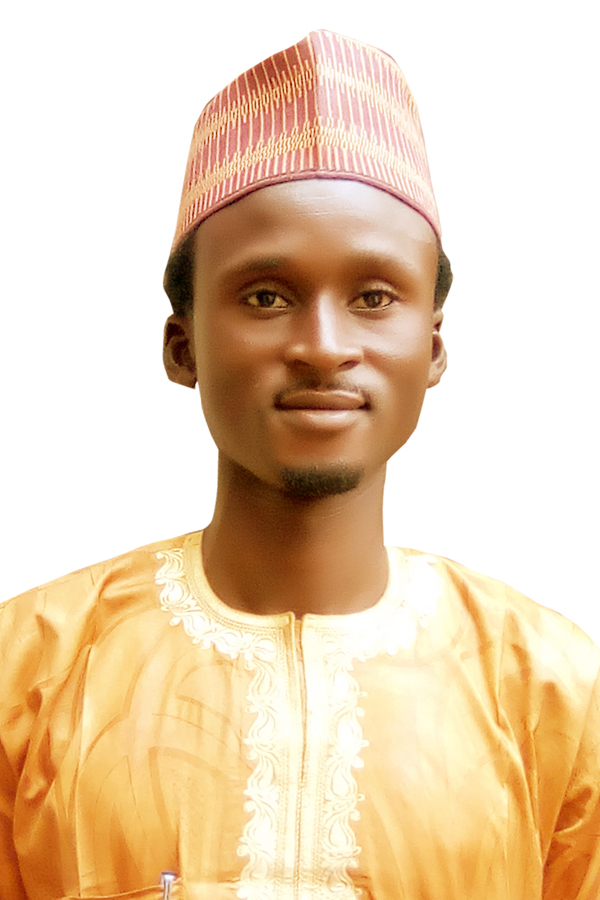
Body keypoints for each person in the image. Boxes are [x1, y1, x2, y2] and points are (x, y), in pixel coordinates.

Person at [0, 29, 598, 900]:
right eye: (267, 296)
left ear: (432, 348)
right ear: (182, 346)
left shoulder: (553, 693)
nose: (322, 346)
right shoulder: (27, 676)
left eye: (373, 297)